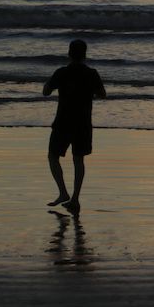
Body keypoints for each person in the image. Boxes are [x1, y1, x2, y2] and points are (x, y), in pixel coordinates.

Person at [44, 40, 106, 212]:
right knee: (78, 159)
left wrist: (49, 82)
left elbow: (46, 91)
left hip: (63, 121)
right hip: (83, 122)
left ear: (69, 54)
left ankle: (63, 192)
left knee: (53, 156)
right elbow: (103, 95)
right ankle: (75, 198)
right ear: (85, 55)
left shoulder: (62, 72)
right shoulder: (92, 73)